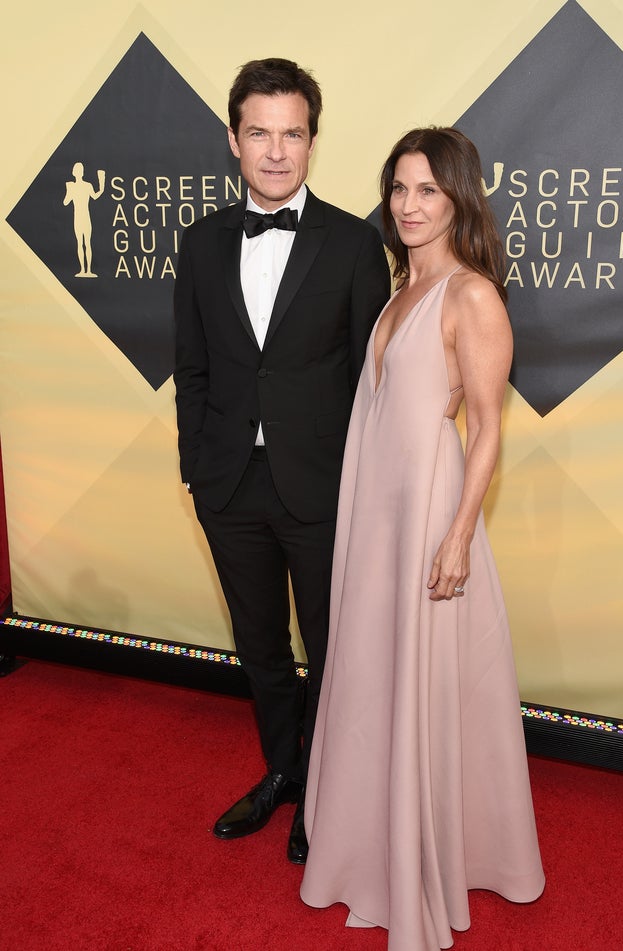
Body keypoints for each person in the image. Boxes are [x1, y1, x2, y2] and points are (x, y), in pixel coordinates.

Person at [301, 128, 545, 948]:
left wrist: (457, 535)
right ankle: (374, 839)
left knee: (426, 679)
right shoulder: (399, 288)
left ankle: (427, 856)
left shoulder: (472, 296)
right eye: (399, 189)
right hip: (377, 510)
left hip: (430, 510)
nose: (408, 205)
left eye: (427, 191)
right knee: (375, 676)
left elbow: (486, 430)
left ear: (459, 199)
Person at [173, 58, 390, 865]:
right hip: (229, 487)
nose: (275, 151)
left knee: (334, 650)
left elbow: (375, 382)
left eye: (291, 133)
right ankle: (283, 772)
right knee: (260, 647)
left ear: (311, 141)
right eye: (259, 132)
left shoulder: (356, 243)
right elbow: (190, 366)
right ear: (233, 140)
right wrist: (199, 471)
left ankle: (328, 791)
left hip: (324, 489)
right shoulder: (198, 243)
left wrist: (368, 490)